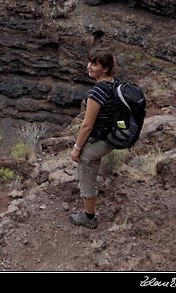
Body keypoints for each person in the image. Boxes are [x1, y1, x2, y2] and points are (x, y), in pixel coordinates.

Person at [69, 49, 117, 229]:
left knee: (85, 163)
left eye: (94, 64)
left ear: (105, 69)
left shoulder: (97, 92)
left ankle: (88, 218)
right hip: (113, 134)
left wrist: (77, 148)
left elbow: (87, 126)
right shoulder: (115, 83)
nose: (89, 66)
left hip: (103, 138)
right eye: (89, 62)